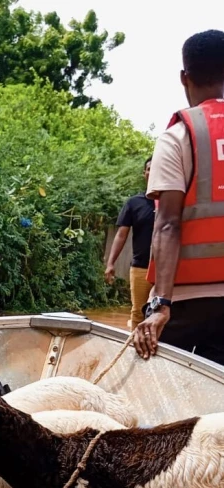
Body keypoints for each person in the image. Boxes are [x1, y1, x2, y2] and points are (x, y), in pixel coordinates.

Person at [134, 30, 224, 364]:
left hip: (183, 305)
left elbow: (168, 224)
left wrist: (161, 305)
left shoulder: (178, 136)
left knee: (156, 400)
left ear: (184, 77)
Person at [105, 157, 156, 329]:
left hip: (168, 270)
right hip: (141, 267)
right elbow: (121, 235)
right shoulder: (134, 203)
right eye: (149, 168)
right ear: (144, 173)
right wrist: (110, 263)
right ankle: (134, 351)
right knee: (138, 313)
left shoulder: (173, 202)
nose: (153, 171)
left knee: (167, 313)